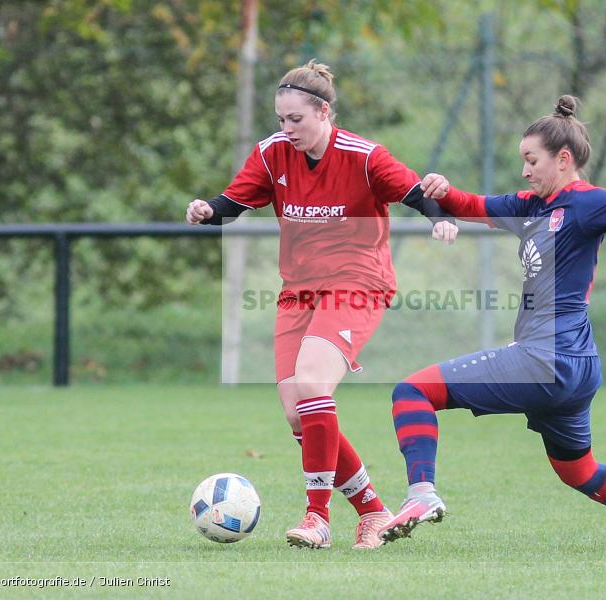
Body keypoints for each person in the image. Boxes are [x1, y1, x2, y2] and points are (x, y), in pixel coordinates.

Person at [378, 95, 606, 554]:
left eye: (532, 161)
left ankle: (421, 495)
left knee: (412, 392)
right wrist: (441, 191)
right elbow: (470, 204)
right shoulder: (530, 206)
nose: (525, 171)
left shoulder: (585, 204)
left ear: (563, 160)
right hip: (575, 365)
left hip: (546, 358)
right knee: (579, 472)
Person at [185, 60, 456, 549]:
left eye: (296, 120)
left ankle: (317, 516)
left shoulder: (364, 155)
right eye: (280, 119)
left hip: (357, 284)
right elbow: (233, 203)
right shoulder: (272, 154)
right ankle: (373, 510)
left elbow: (415, 192)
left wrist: (440, 219)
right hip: (298, 292)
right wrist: (207, 210)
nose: (286, 129)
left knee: (312, 384)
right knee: (298, 412)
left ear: (323, 111)